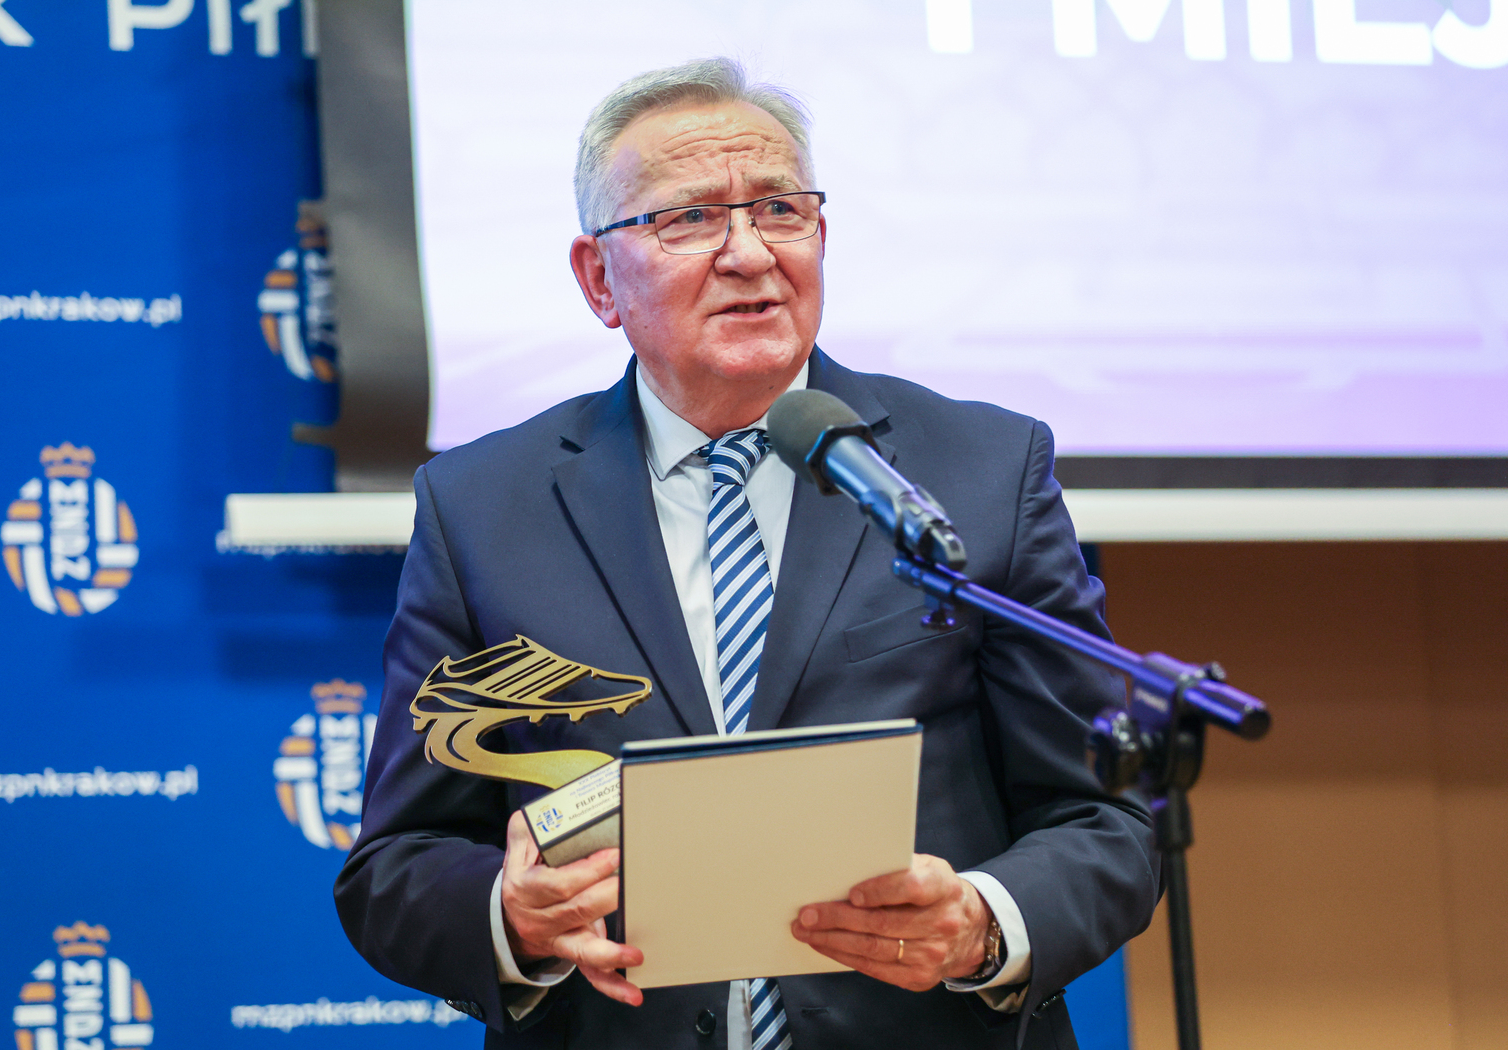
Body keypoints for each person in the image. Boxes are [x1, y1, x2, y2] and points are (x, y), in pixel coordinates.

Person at [336, 58, 1159, 1050]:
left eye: (780, 210)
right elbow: (397, 866)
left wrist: (982, 923)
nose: (749, 253)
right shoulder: (482, 507)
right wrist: (510, 917)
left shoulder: (979, 471)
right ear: (598, 279)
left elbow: (1107, 823)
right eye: (688, 219)